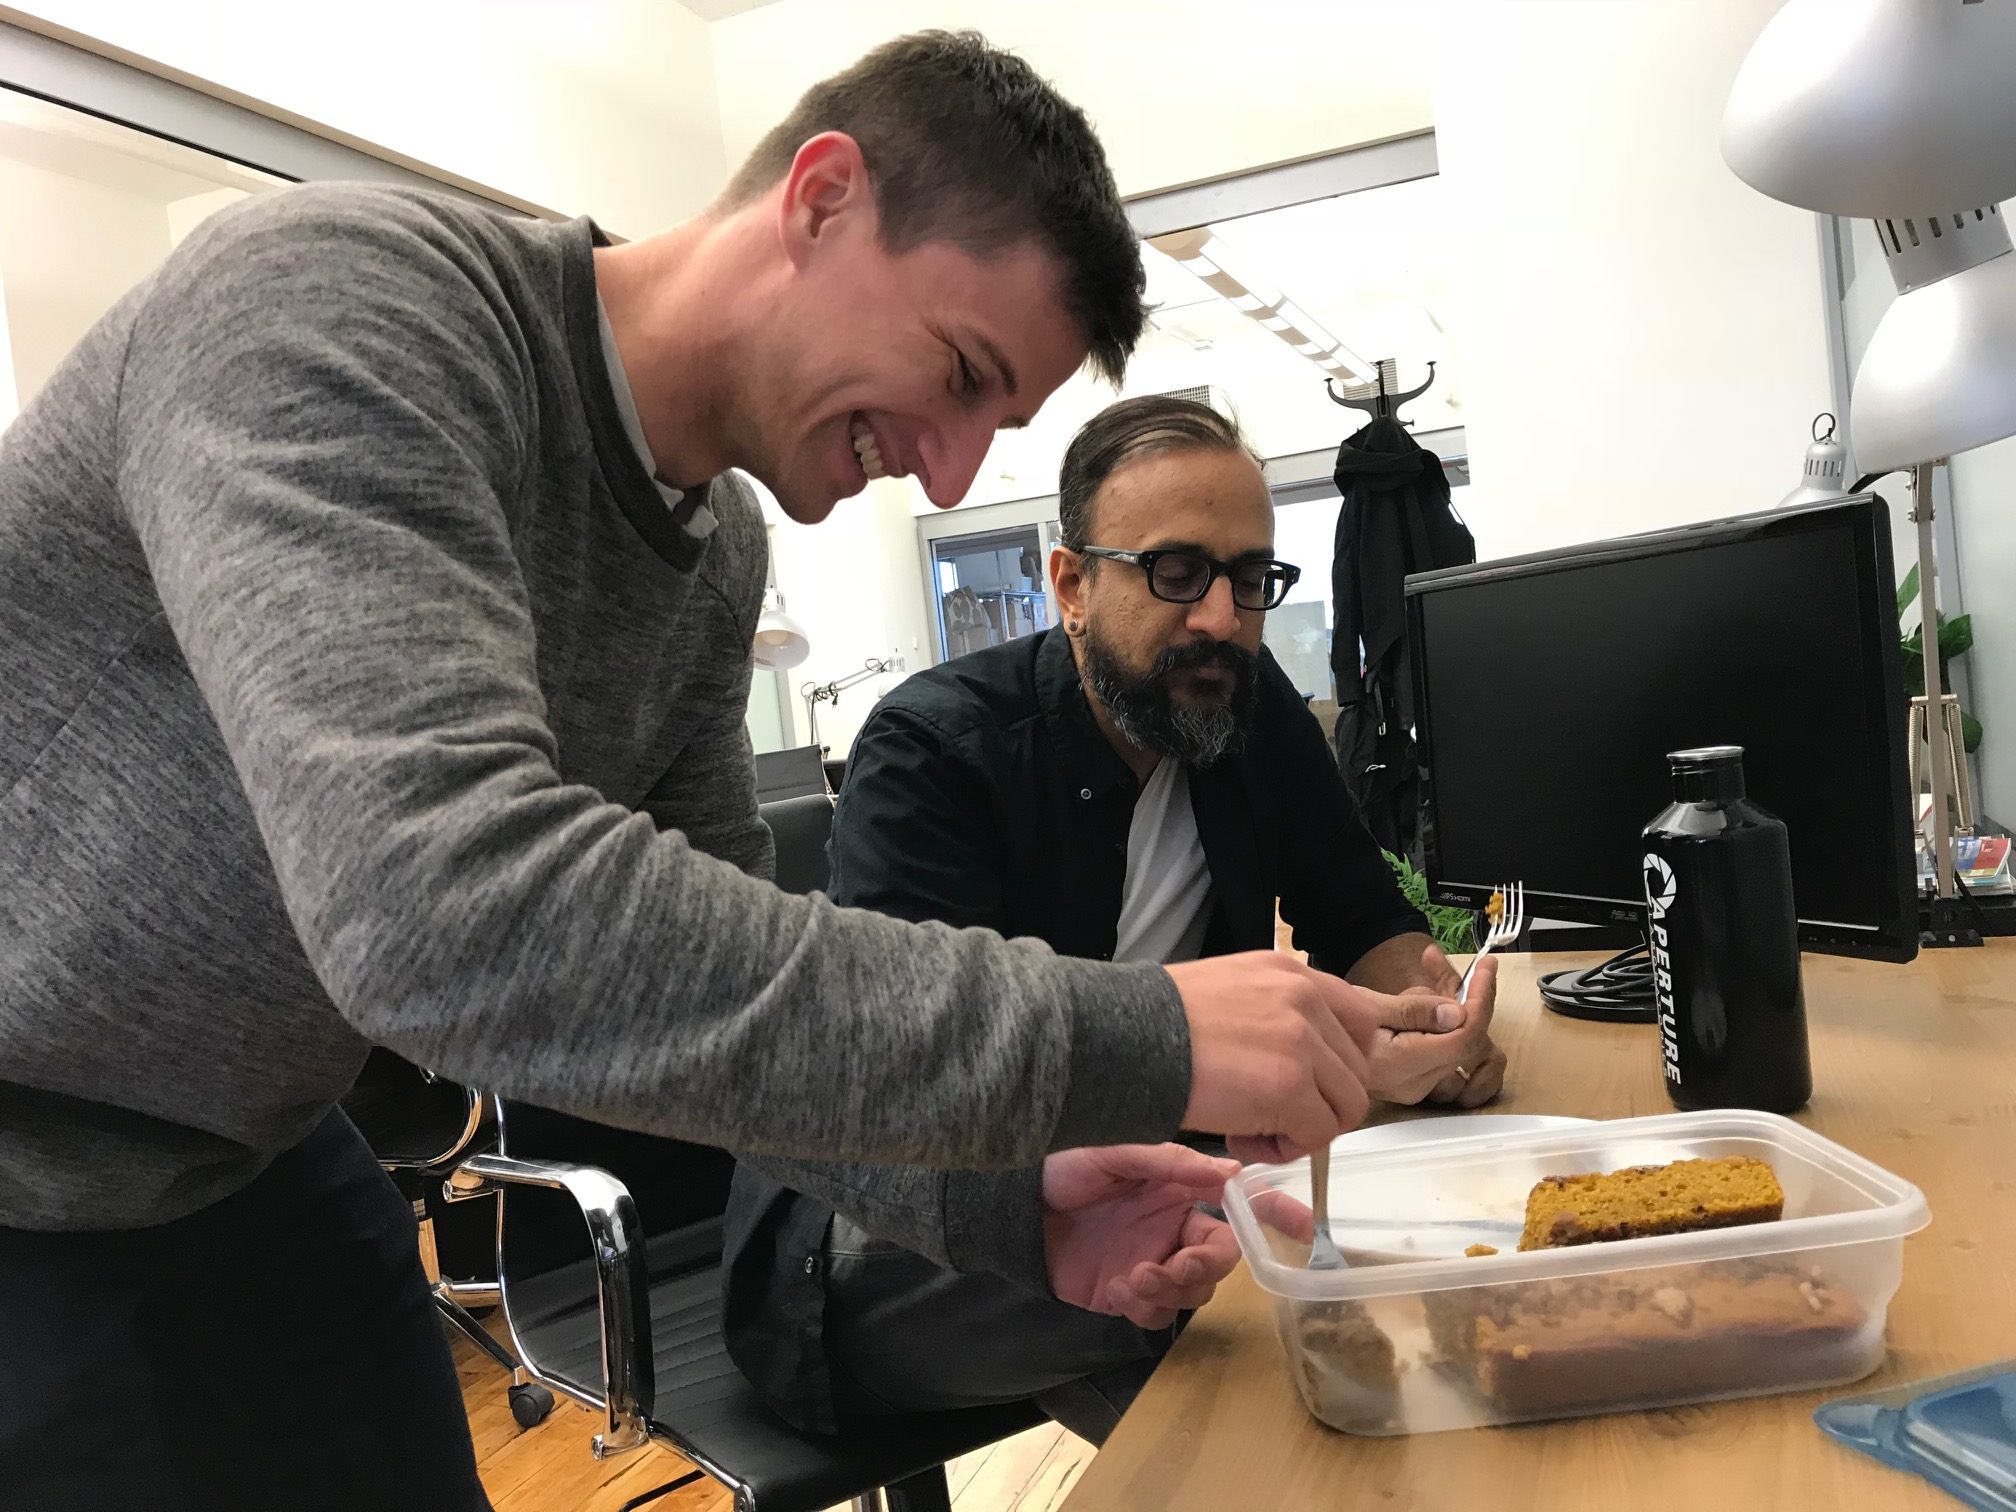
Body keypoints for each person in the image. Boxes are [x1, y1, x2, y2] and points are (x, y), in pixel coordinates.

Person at [0, 36, 1401, 1509]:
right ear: (822, 198)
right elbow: (445, 912)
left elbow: (731, 1032)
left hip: (240, 1160)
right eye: (960, 374)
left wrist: (1003, 1203)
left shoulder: (712, 545)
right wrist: (1136, 1038)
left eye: (993, 427)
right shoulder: (333, 311)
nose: (942, 473)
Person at [725, 395, 1509, 1443]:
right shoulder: (934, 749)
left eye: (1249, 579)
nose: (1221, 619)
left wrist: (1426, 1014)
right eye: (1176, 573)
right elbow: (913, 1074)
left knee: (1369, 1259)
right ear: (1071, 585)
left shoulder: (1246, 705)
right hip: (867, 1244)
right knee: (1292, 1287)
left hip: (1156, 1198)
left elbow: (1361, 914)